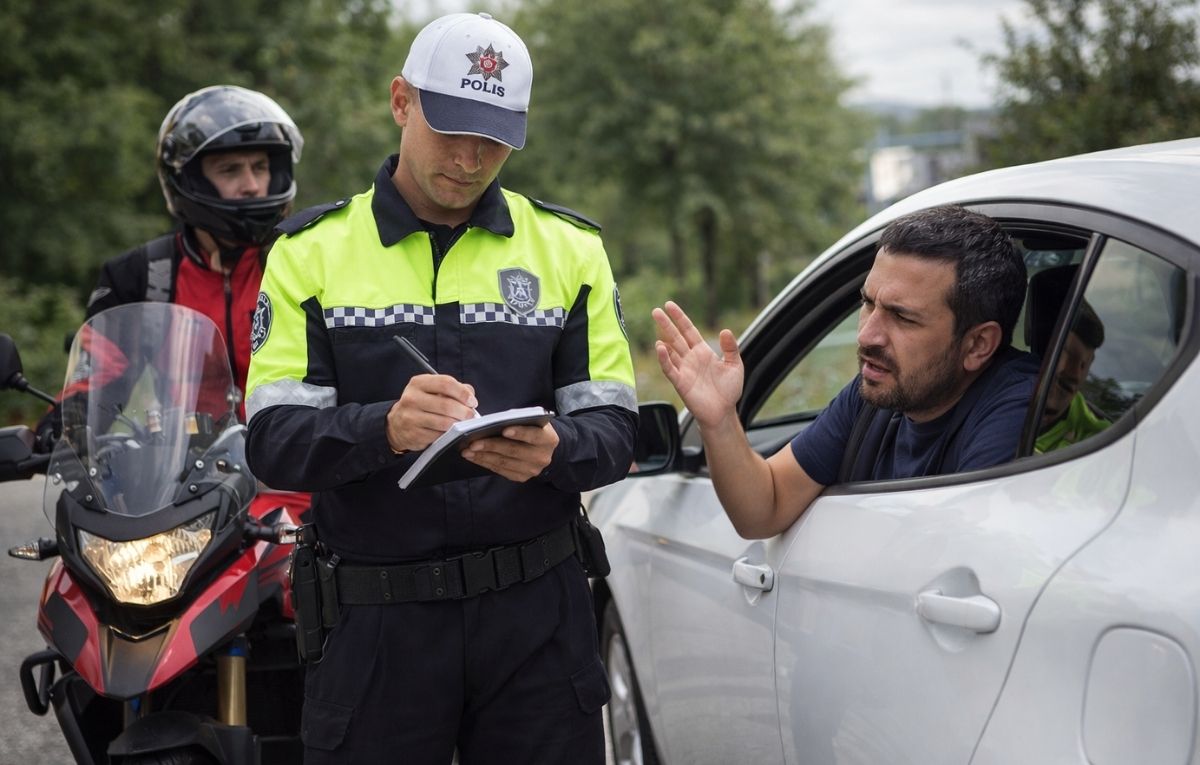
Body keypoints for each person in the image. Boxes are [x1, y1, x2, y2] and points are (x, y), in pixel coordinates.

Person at [243, 12, 637, 764]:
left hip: (537, 620)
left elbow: (615, 430)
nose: (469, 157)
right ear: (401, 101)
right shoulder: (308, 253)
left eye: (494, 138)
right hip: (376, 623)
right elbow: (273, 440)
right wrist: (383, 428)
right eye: (451, 127)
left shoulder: (572, 249)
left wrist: (556, 450)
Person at [654, 204, 1038, 539]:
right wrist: (720, 419)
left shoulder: (1019, 408)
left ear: (977, 344)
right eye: (868, 304)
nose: (867, 335)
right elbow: (765, 507)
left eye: (903, 317)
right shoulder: (876, 394)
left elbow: (966, 548)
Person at [84, 84, 304, 421]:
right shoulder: (142, 275)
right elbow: (93, 384)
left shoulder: (299, 263)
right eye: (230, 170)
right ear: (188, 180)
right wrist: (55, 431)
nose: (252, 185)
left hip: (288, 449)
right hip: (184, 452)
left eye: (260, 167)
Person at [1035, 299, 1110, 452]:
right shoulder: (998, 397)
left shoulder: (1100, 439)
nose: (1076, 374)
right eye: (1064, 351)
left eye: (1084, 365)